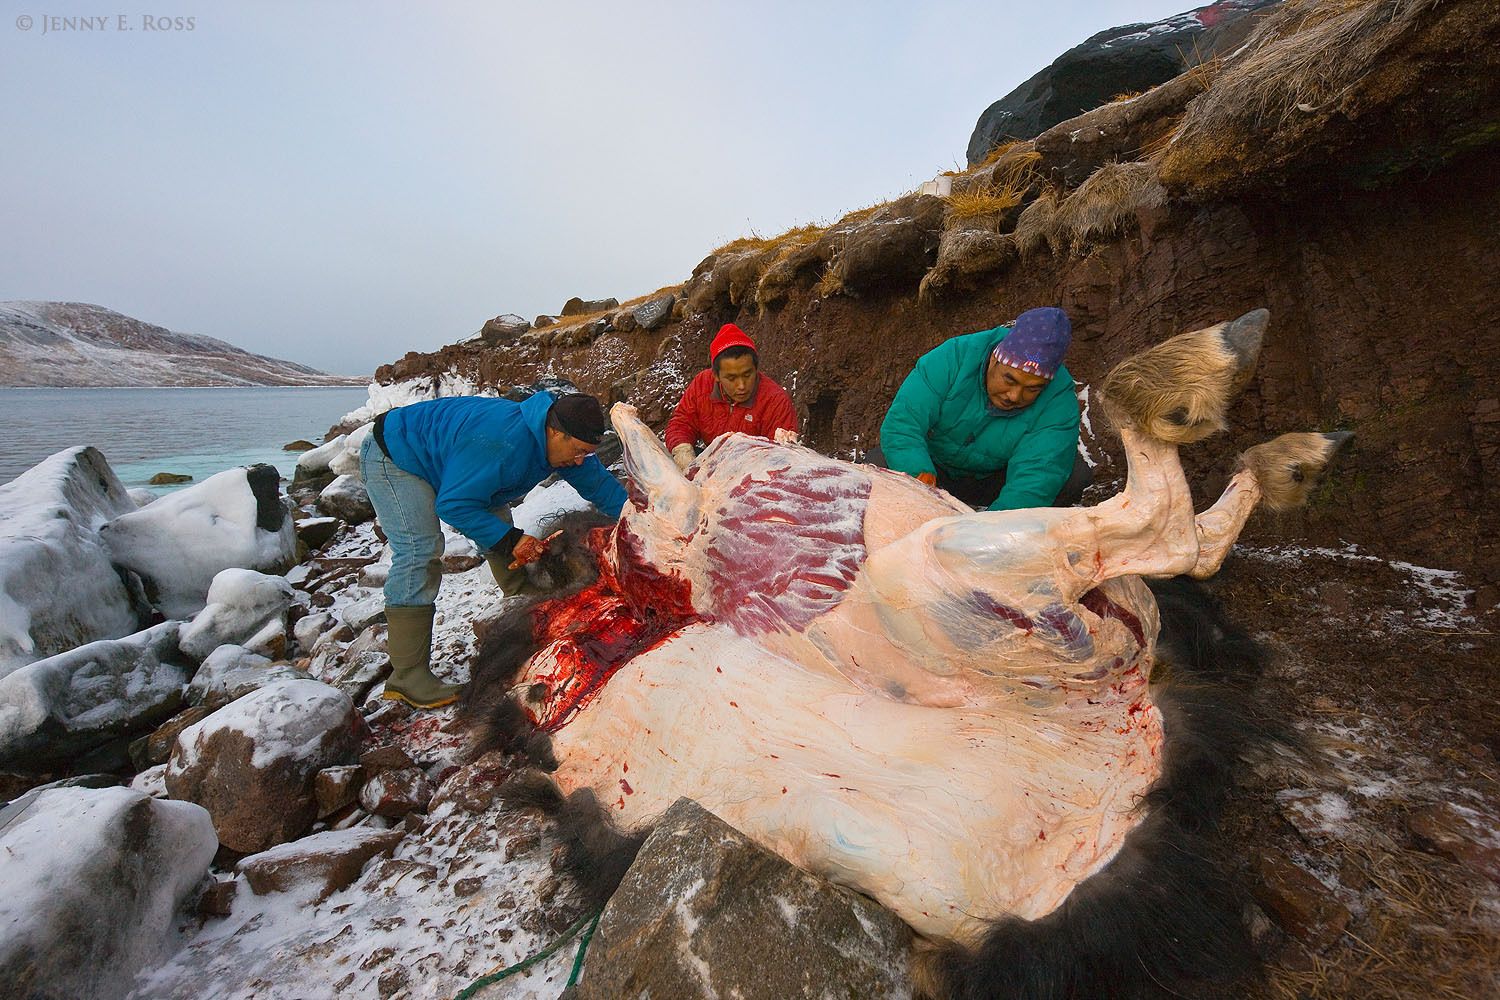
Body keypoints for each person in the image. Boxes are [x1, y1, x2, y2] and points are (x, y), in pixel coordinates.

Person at [359, 391, 626, 708]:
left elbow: (600, 486)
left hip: (456, 459)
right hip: (396, 455)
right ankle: (407, 676)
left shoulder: (564, 442)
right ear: (555, 432)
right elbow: (454, 505)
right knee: (419, 550)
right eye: (579, 451)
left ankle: (522, 596)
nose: (580, 460)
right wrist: (513, 541)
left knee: (495, 515)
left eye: (587, 453)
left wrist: (637, 517)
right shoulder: (503, 443)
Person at [871, 306, 1091, 511]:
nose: (1014, 396)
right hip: (934, 466)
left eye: (1032, 389)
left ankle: (1014, 524)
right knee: (878, 465)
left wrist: (988, 528)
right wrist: (923, 486)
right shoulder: (954, 357)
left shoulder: (1058, 398)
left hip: (993, 479)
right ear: (995, 358)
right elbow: (903, 425)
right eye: (1010, 380)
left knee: (1073, 477)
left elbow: (1038, 475)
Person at [665, 323, 799, 470]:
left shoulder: (775, 401)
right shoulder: (703, 384)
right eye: (731, 378)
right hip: (713, 464)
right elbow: (682, 422)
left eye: (747, 375)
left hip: (756, 471)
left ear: (756, 369)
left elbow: (782, 459)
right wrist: (683, 451)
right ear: (716, 375)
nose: (741, 385)